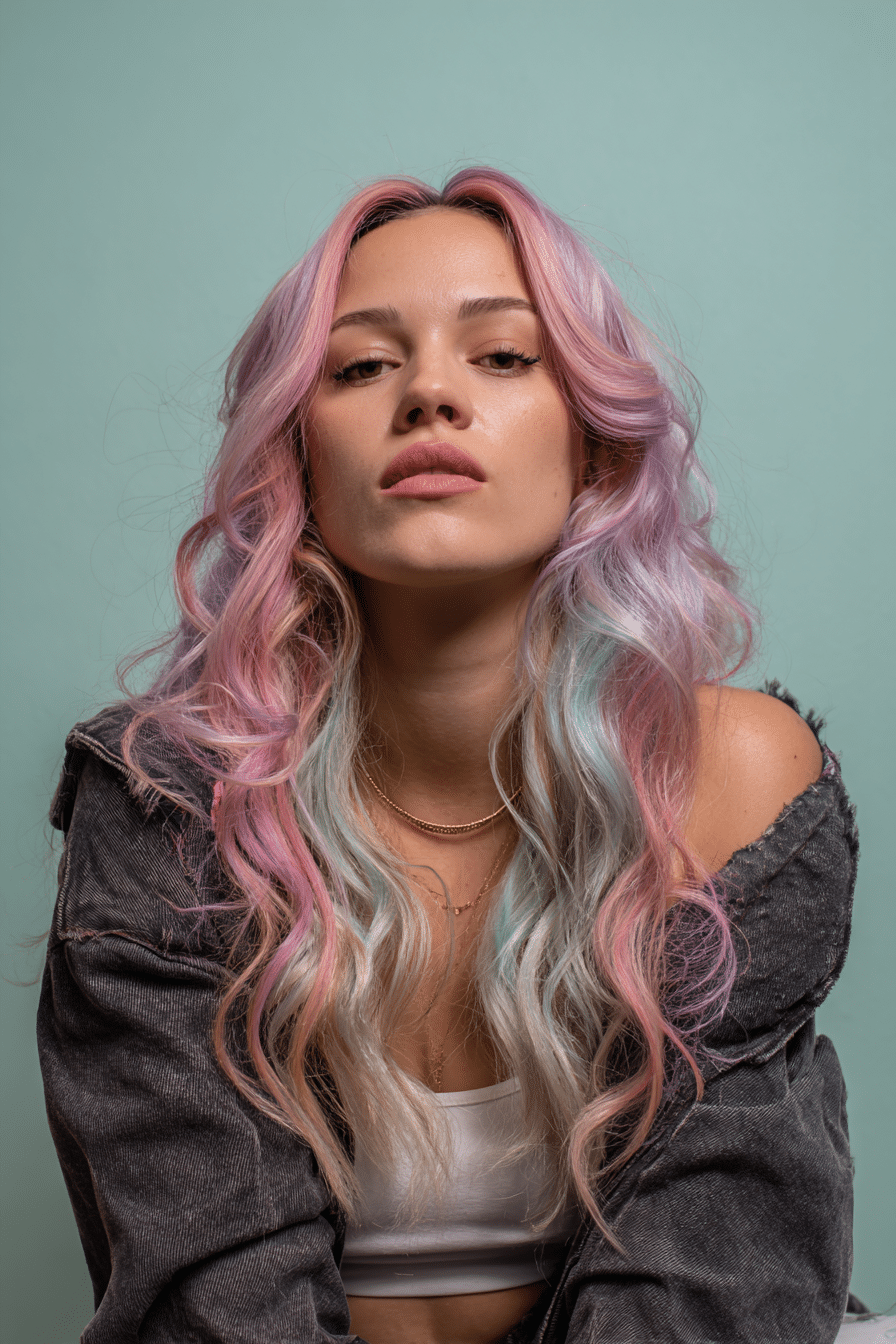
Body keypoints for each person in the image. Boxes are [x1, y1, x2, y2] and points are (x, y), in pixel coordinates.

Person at [38, 169, 858, 1344]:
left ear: (593, 449)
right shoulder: (171, 802)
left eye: (503, 357)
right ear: (297, 461)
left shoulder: (728, 775)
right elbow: (212, 1305)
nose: (428, 392)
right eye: (361, 366)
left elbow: (715, 1283)